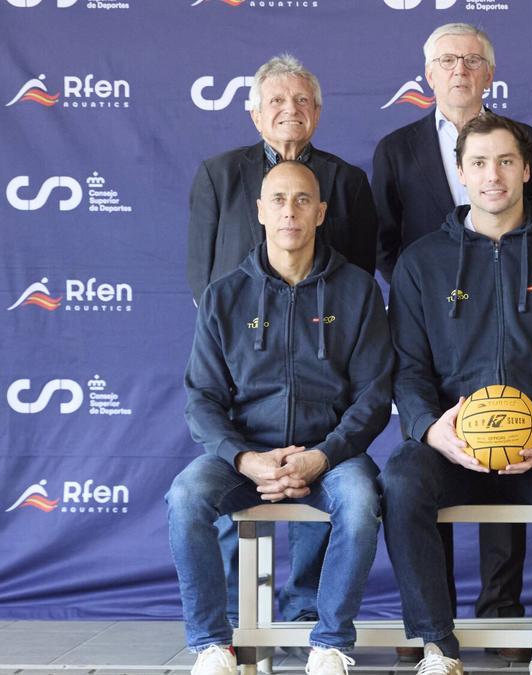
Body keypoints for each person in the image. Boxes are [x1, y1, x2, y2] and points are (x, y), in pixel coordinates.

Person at [380, 112, 532, 675]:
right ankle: (436, 645)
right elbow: (407, 368)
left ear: (527, 170)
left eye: (506, 161)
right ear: (460, 172)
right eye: (480, 163)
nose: (493, 176)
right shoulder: (421, 262)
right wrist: (429, 429)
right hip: (454, 448)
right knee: (400, 478)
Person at [372, 29, 532, 654]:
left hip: (513, 317)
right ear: (428, 73)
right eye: (447, 60)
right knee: (431, 463)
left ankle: (501, 611)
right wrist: (432, 287)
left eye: (472, 60)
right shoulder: (397, 147)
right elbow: (385, 240)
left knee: (508, 438)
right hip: (434, 326)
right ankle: (433, 618)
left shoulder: (528, 142)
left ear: (490, 74)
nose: (460, 70)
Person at [168, 161, 392, 675]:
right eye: (279, 200)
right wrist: (244, 458)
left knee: (361, 501)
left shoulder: (358, 291)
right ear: (260, 212)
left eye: (302, 200)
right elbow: (202, 398)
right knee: (185, 496)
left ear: (321, 213)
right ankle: (211, 643)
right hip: (245, 457)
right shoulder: (224, 295)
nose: (290, 211)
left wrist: (323, 456)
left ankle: (330, 642)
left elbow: (374, 396)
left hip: (331, 456)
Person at [185, 54, 378, 626]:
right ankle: (236, 619)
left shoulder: (346, 180)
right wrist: (236, 326)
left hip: (322, 357)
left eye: (301, 100)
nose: (289, 110)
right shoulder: (219, 174)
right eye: (276, 100)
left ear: (317, 111)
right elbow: (201, 273)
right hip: (244, 352)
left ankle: (304, 613)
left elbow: (355, 273)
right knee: (220, 486)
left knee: (330, 487)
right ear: (254, 113)